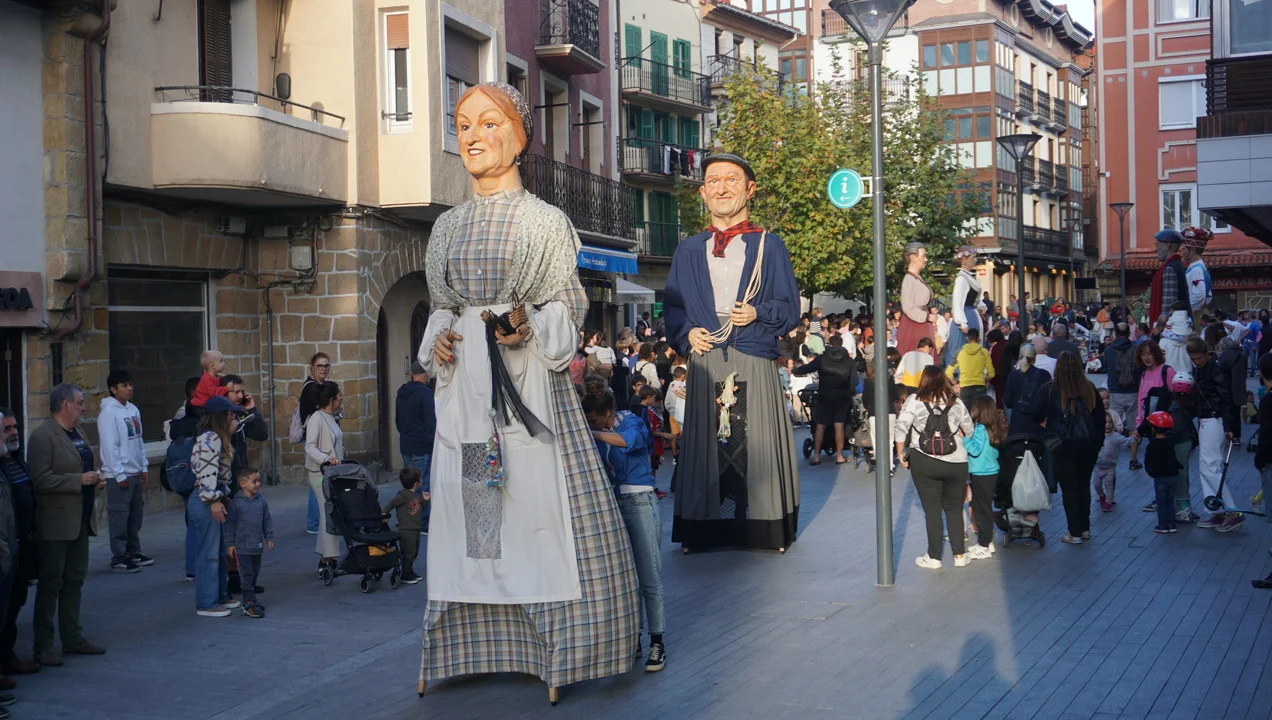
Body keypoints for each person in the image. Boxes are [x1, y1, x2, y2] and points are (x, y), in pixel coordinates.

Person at [417, 82, 639, 693]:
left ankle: (557, 651)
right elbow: (442, 305)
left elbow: (567, 305)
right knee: (480, 517)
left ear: (518, 137)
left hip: (529, 390)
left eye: (488, 123)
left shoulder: (545, 220)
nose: (473, 136)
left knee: (538, 510)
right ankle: (474, 641)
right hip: (468, 397)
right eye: (463, 124)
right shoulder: (447, 227)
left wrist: (528, 327)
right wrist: (439, 338)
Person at [663, 151, 802, 553]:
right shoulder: (688, 250)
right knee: (706, 442)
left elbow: (789, 307)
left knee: (756, 439)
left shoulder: (769, 246)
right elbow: (673, 307)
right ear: (703, 193)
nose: (721, 188)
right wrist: (687, 333)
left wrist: (758, 312)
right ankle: (703, 530)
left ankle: (763, 527)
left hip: (753, 353)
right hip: (706, 356)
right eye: (713, 181)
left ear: (750, 189)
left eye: (731, 180)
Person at [583, 392, 667, 672]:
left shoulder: (632, 421)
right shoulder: (602, 430)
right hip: (614, 504)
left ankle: (657, 641)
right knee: (626, 579)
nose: (593, 425)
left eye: (595, 420)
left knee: (649, 577)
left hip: (640, 500)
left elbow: (629, 441)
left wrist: (593, 434)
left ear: (608, 413)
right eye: (589, 422)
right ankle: (634, 638)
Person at [29, 384, 107, 666]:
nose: (84, 407)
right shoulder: (42, 437)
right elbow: (40, 480)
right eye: (79, 402)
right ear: (64, 405)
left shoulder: (78, 432)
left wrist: (95, 480)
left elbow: (83, 465)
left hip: (80, 520)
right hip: (56, 523)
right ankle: (43, 645)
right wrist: (79, 480)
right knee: (51, 582)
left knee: (74, 580)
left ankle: (72, 637)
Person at [896, 367, 975, 569]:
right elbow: (969, 429)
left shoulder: (915, 400)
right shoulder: (956, 401)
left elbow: (901, 427)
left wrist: (900, 453)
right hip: (956, 461)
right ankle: (959, 555)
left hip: (924, 460)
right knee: (954, 508)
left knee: (932, 510)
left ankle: (934, 557)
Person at [1023, 352, 1105, 545]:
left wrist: (1044, 421)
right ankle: (1084, 528)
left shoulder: (1051, 389)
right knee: (1083, 485)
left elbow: (1032, 410)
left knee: (1069, 488)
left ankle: (1074, 532)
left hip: (1061, 444)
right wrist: (1098, 443)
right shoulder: (1089, 387)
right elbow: (1100, 418)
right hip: (1088, 445)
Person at [188, 395, 243, 618]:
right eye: (230, 414)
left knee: (219, 552)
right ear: (221, 416)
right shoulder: (210, 439)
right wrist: (214, 500)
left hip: (213, 498)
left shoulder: (217, 438)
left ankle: (220, 595)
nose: (233, 417)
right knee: (209, 553)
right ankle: (207, 603)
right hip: (206, 501)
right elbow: (207, 474)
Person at [1188, 335, 1244, 532]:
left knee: (1210, 466)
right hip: (1209, 419)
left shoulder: (1214, 369)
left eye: (1198, 358)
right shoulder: (1205, 368)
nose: (1196, 361)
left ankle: (1231, 511)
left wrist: (1229, 425)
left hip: (1214, 419)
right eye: (1193, 359)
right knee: (1207, 466)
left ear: (1206, 354)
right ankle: (1218, 510)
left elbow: (1226, 397)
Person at [98, 370, 150, 574]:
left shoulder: (133, 409)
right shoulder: (108, 413)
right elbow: (110, 446)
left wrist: (143, 466)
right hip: (119, 474)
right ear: (113, 389)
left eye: (130, 384)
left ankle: (133, 552)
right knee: (119, 517)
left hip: (135, 471)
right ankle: (119, 557)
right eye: (124, 385)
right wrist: (118, 473)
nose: (129, 389)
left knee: (135, 516)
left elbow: (139, 440)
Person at [0, 410, 39, 677]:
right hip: (6, 548)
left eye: (14, 427)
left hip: (22, 545)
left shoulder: (16, 460)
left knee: (14, 603)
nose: (13, 432)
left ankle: (7, 656)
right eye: (6, 429)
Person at [793, 334, 858, 466]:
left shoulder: (822, 358)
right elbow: (854, 381)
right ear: (841, 344)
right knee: (839, 425)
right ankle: (839, 456)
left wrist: (796, 370)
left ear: (830, 344)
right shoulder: (849, 361)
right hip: (842, 396)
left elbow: (808, 368)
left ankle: (816, 456)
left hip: (825, 395)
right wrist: (849, 391)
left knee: (820, 426)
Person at [304, 381, 344, 569]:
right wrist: (327, 458)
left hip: (332, 472)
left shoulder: (331, 417)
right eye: (339, 395)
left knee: (328, 512)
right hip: (319, 473)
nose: (342, 398)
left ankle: (326, 556)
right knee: (329, 512)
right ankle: (328, 557)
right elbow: (310, 446)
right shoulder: (316, 418)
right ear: (331, 399)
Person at [225, 466, 273, 618]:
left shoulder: (261, 500)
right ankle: (248, 602)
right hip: (242, 546)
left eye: (259, 481)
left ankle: (251, 598)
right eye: (254, 481)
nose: (258, 484)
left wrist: (269, 537)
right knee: (247, 574)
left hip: (256, 545)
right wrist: (230, 544)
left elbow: (266, 520)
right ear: (243, 484)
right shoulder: (236, 504)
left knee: (255, 572)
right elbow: (230, 525)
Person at [395, 361, 435, 534]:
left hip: (406, 443)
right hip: (422, 444)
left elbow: (398, 420)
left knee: (409, 484)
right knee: (422, 483)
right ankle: (422, 521)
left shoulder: (401, 392)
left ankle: (407, 518)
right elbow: (431, 420)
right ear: (426, 374)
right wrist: (432, 440)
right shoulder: (426, 393)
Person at [963, 395, 1003, 560]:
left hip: (981, 473)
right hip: (991, 471)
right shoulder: (994, 427)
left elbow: (975, 450)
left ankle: (984, 545)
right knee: (985, 507)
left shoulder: (979, 428)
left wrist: (964, 438)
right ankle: (987, 542)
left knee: (981, 509)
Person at [1127, 339, 1176, 471]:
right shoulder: (1144, 373)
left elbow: (1176, 397)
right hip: (1150, 425)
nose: (1146, 358)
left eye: (1149, 353)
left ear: (1156, 354)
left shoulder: (1167, 371)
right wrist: (1139, 424)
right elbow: (1141, 400)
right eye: (1143, 354)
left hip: (1165, 426)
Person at [298, 352, 333, 535]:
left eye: (326, 366)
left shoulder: (321, 386)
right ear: (312, 367)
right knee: (317, 479)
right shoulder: (311, 388)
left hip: (321, 438)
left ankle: (317, 521)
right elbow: (322, 412)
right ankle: (314, 523)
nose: (323, 369)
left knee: (320, 478)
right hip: (314, 439)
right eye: (320, 366)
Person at [382, 467, 427, 585]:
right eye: (420, 479)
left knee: (414, 551)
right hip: (406, 530)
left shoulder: (415, 495)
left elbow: (419, 508)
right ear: (416, 483)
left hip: (415, 529)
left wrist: (425, 500)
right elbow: (392, 503)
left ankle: (410, 571)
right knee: (408, 553)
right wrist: (384, 513)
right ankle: (405, 574)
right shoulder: (403, 494)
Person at [945, 247, 986, 366]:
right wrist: (962, 323)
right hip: (966, 317)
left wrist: (981, 305)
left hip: (971, 314)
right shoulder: (961, 278)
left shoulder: (968, 276)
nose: (976, 260)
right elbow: (957, 302)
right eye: (973, 257)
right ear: (964, 259)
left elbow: (973, 298)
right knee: (963, 350)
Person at [1143, 412, 1183, 534]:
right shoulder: (1170, 443)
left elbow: (1148, 462)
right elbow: (1174, 459)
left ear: (1153, 429)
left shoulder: (1152, 445)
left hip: (1160, 477)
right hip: (1173, 476)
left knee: (1161, 502)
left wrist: (1150, 472)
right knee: (1170, 500)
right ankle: (1172, 523)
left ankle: (1162, 525)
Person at [861, 354, 900, 472]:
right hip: (889, 411)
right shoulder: (889, 379)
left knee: (876, 439)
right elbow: (895, 396)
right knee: (890, 440)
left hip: (874, 412)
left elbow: (865, 398)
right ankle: (889, 466)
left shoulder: (867, 381)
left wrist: (866, 405)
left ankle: (881, 465)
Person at [897, 243, 934, 355]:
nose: (926, 259)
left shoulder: (917, 278)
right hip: (914, 325)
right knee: (918, 354)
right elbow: (907, 306)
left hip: (921, 323)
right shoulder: (909, 279)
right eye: (923, 256)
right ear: (913, 257)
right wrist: (926, 316)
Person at [1148, 228, 1189, 325]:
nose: (1156, 249)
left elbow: (1169, 305)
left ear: (1168, 245)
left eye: (1157, 245)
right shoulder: (1176, 265)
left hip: (1169, 328)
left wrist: (1161, 327)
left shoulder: (1170, 268)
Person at [1093, 414, 1132, 512]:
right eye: (1105, 422)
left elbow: (1126, 441)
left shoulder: (1116, 437)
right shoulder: (1096, 435)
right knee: (1097, 485)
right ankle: (1102, 495)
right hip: (1098, 466)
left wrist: (1134, 438)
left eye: (1110, 422)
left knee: (1109, 485)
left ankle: (1108, 502)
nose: (1108, 424)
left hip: (1110, 467)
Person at [945, 328, 993, 404]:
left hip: (965, 388)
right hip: (980, 387)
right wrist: (984, 380)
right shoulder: (984, 352)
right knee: (980, 409)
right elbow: (991, 374)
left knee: (966, 409)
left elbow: (948, 373)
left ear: (967, 338)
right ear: (978, 338)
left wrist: (956, 383)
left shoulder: (960, 352)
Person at [1104, 323, 1140, 425]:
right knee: (1133, 426)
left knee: (1114, 425)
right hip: (1133, 391)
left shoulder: (1109, 350)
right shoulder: (1136, 349)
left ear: (1115, 333)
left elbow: (1106, 367)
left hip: (1115, 391)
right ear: (1129, 333)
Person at [1181, 227, 1213, 328]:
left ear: (1193, 250)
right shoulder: (1197, 267)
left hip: (1195, 314)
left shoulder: (1196, 269)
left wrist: (1185, 310)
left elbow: (1199, 295)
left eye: (1184, 249)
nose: (1181, 252)